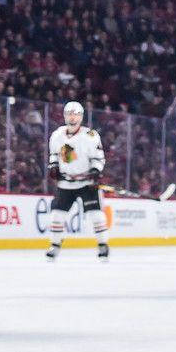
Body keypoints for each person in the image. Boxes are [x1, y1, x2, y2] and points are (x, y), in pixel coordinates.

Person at [46, 101, 108, 260]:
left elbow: (99, 158)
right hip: (65, 183)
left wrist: (95, 172)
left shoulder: (90, 136)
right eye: (69, 114)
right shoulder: (57, 135)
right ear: (65, 115)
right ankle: (55, 245)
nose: (72, 117)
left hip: (86, 183)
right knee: (56, 215)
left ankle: (102, 245)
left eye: (76, 114)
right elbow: (54, 155)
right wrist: (53, 167)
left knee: (96, 215)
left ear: (81, 116)